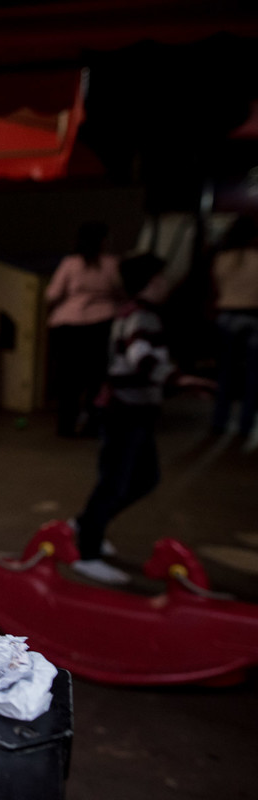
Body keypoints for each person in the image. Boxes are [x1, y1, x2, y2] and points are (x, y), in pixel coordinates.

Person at [67, 253, 216, 585]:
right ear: (151, 282)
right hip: (124, 412)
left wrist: (177, 383)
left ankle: (89, 523)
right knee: (115, 482)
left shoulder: (140, 314)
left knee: (144, 478)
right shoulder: (141, 316)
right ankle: (86, 553)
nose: (165, 284)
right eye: (161, 279)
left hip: (136, 411)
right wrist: (182, 379)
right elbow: (141, 359)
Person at [45, 221, 122, 437]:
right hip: (101, 325)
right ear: (104, 241)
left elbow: (52, 294)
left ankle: (65, 425)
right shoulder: (111, 264)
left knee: (68, 379)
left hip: (67, 327)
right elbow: (121, 291)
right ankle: (93, 424)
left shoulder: (70, 263)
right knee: (96, 378)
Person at [209, 213, 258, 451]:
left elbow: (216, 288)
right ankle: (245, 424)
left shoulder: (221, 258)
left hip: (227, 315)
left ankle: (219, 421)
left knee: (225, 373)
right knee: (253, 376)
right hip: (253, 315)